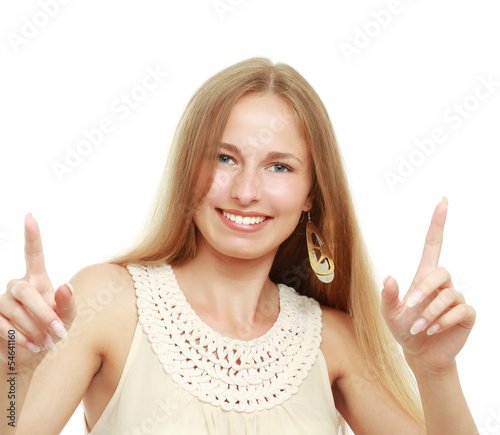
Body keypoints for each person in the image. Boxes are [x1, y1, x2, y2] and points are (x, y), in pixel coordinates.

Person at [1, 57, 477, 434]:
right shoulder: (107, 302)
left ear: (311, 190)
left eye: (279, 167)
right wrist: (10, 367)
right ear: (190, 169)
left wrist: (436, 373)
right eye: (225, 158)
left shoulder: (333, 341)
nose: (246, 190)